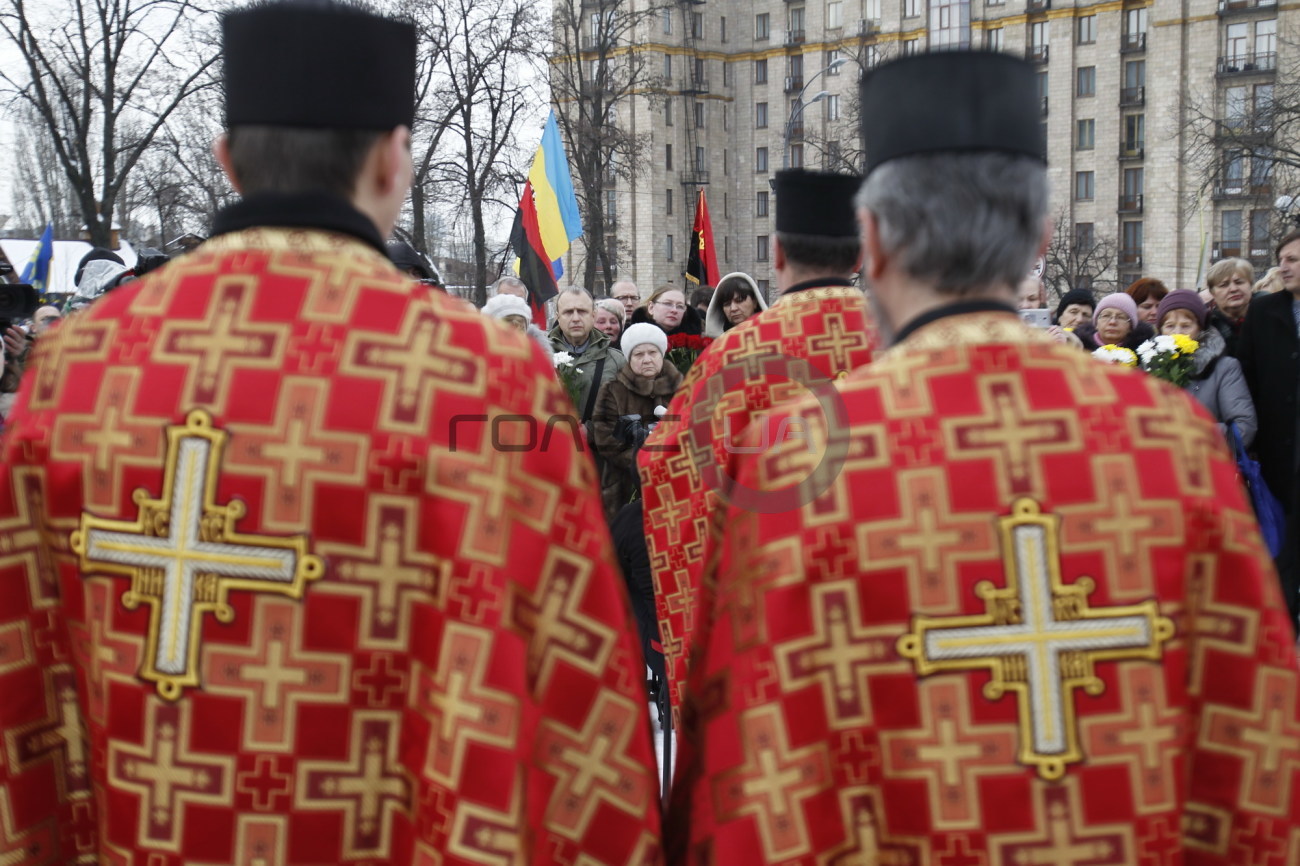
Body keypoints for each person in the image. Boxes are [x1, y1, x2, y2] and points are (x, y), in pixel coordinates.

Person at [0, 3, 661, 862]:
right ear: (394, 160)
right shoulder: (480, 375)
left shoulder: (80, 366)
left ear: (227, 161)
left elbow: (27, 662)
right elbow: (570, 685)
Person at [665, 50, 1299, 864]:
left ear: (873, 241)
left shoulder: (796, 456)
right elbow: (1252, 744)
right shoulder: (1174, 441)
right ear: (1040, 234)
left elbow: (755, 762)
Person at [640, 168, 878, 721]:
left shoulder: (735, 354)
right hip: (890, 593)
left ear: (777, 257)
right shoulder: (902, 339)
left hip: (776, 600)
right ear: (862, 257)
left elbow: (670, 470)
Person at [1238, 227, 1300, 622]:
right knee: (1282, 542)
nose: (1283, 266)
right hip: (1281, 449)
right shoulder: (1263, 310)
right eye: (1282, 259)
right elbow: (1249, 376)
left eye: (1293, 259)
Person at [591, 323, 682, 519]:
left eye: (652, 352)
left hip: (675, 482)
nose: (647, 359)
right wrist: (642, 460)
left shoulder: (683, 388)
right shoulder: (613, 390)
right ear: (629, 358)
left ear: (662, 354)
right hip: (624, 486)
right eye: (639, 355)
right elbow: (605, 439)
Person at [1155, 289, 1255, 445]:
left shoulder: (1223, 368)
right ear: (1160, 330)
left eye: (1186, 326)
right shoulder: (1145, 369)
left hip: (1203, 462)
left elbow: (1244, 426)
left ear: (1200, 328)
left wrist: (1194, 431)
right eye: (1169, 326)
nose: (1177, 333)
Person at [547, 286, 625, 423]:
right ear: (558, 317)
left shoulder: (617, 361)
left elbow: (625, 411)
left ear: (593, 315)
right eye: (568, 312)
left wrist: (591, 432)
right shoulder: (541, 357)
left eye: (582, 311)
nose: (576, 318)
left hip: (600, 443)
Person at [1204, 257, 1253, 358]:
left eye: (1239, 282)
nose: (1233, 289)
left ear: (1250, 285)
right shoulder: (1205, 327)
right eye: (1224, 285)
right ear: (1212, 293)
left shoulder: (1269, 319)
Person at [701, 271, 769, 337]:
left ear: (755, 302)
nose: (733, 308)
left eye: (739, 300)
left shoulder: (774, 337)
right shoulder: (718, 345)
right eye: (727, 304)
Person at [629, 283, 705, 337]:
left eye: (680, 306)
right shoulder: (631, 336)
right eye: (667, 304)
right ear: (651, 307)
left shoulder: (698, 341)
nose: (674, 310)